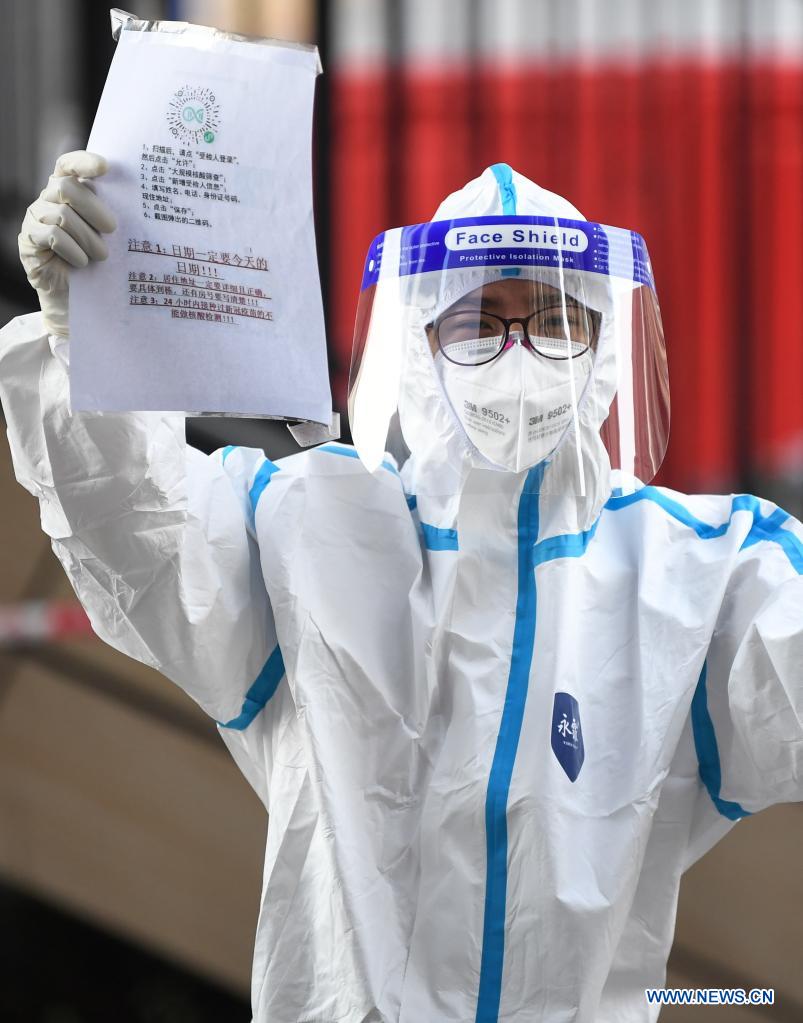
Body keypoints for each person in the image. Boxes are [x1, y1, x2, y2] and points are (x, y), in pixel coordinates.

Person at [3, 155, 802, 1023]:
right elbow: (140, 527)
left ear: (605, 343)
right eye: (476, 322)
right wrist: (90, 341)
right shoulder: (310, 529)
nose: (517, 356)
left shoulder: (696, 571)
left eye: (555, 319)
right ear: (417, 342)